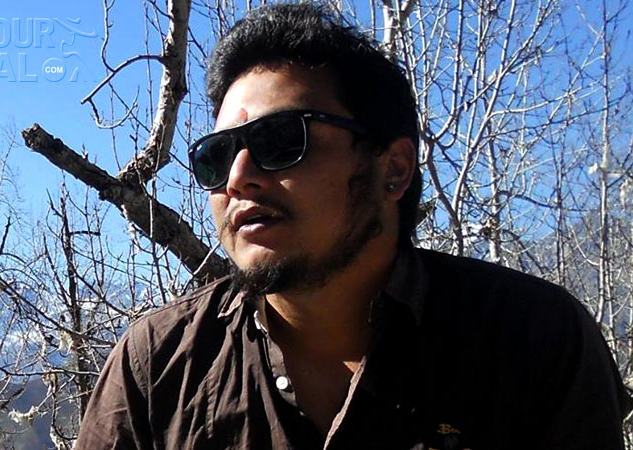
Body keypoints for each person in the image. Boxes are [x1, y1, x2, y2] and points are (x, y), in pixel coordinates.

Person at [75, 3, 630, 449]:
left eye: (279, 141)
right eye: (216, 156)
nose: (238, 178)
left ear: (394, 169)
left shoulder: (534, 340)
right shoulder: (158, 365)